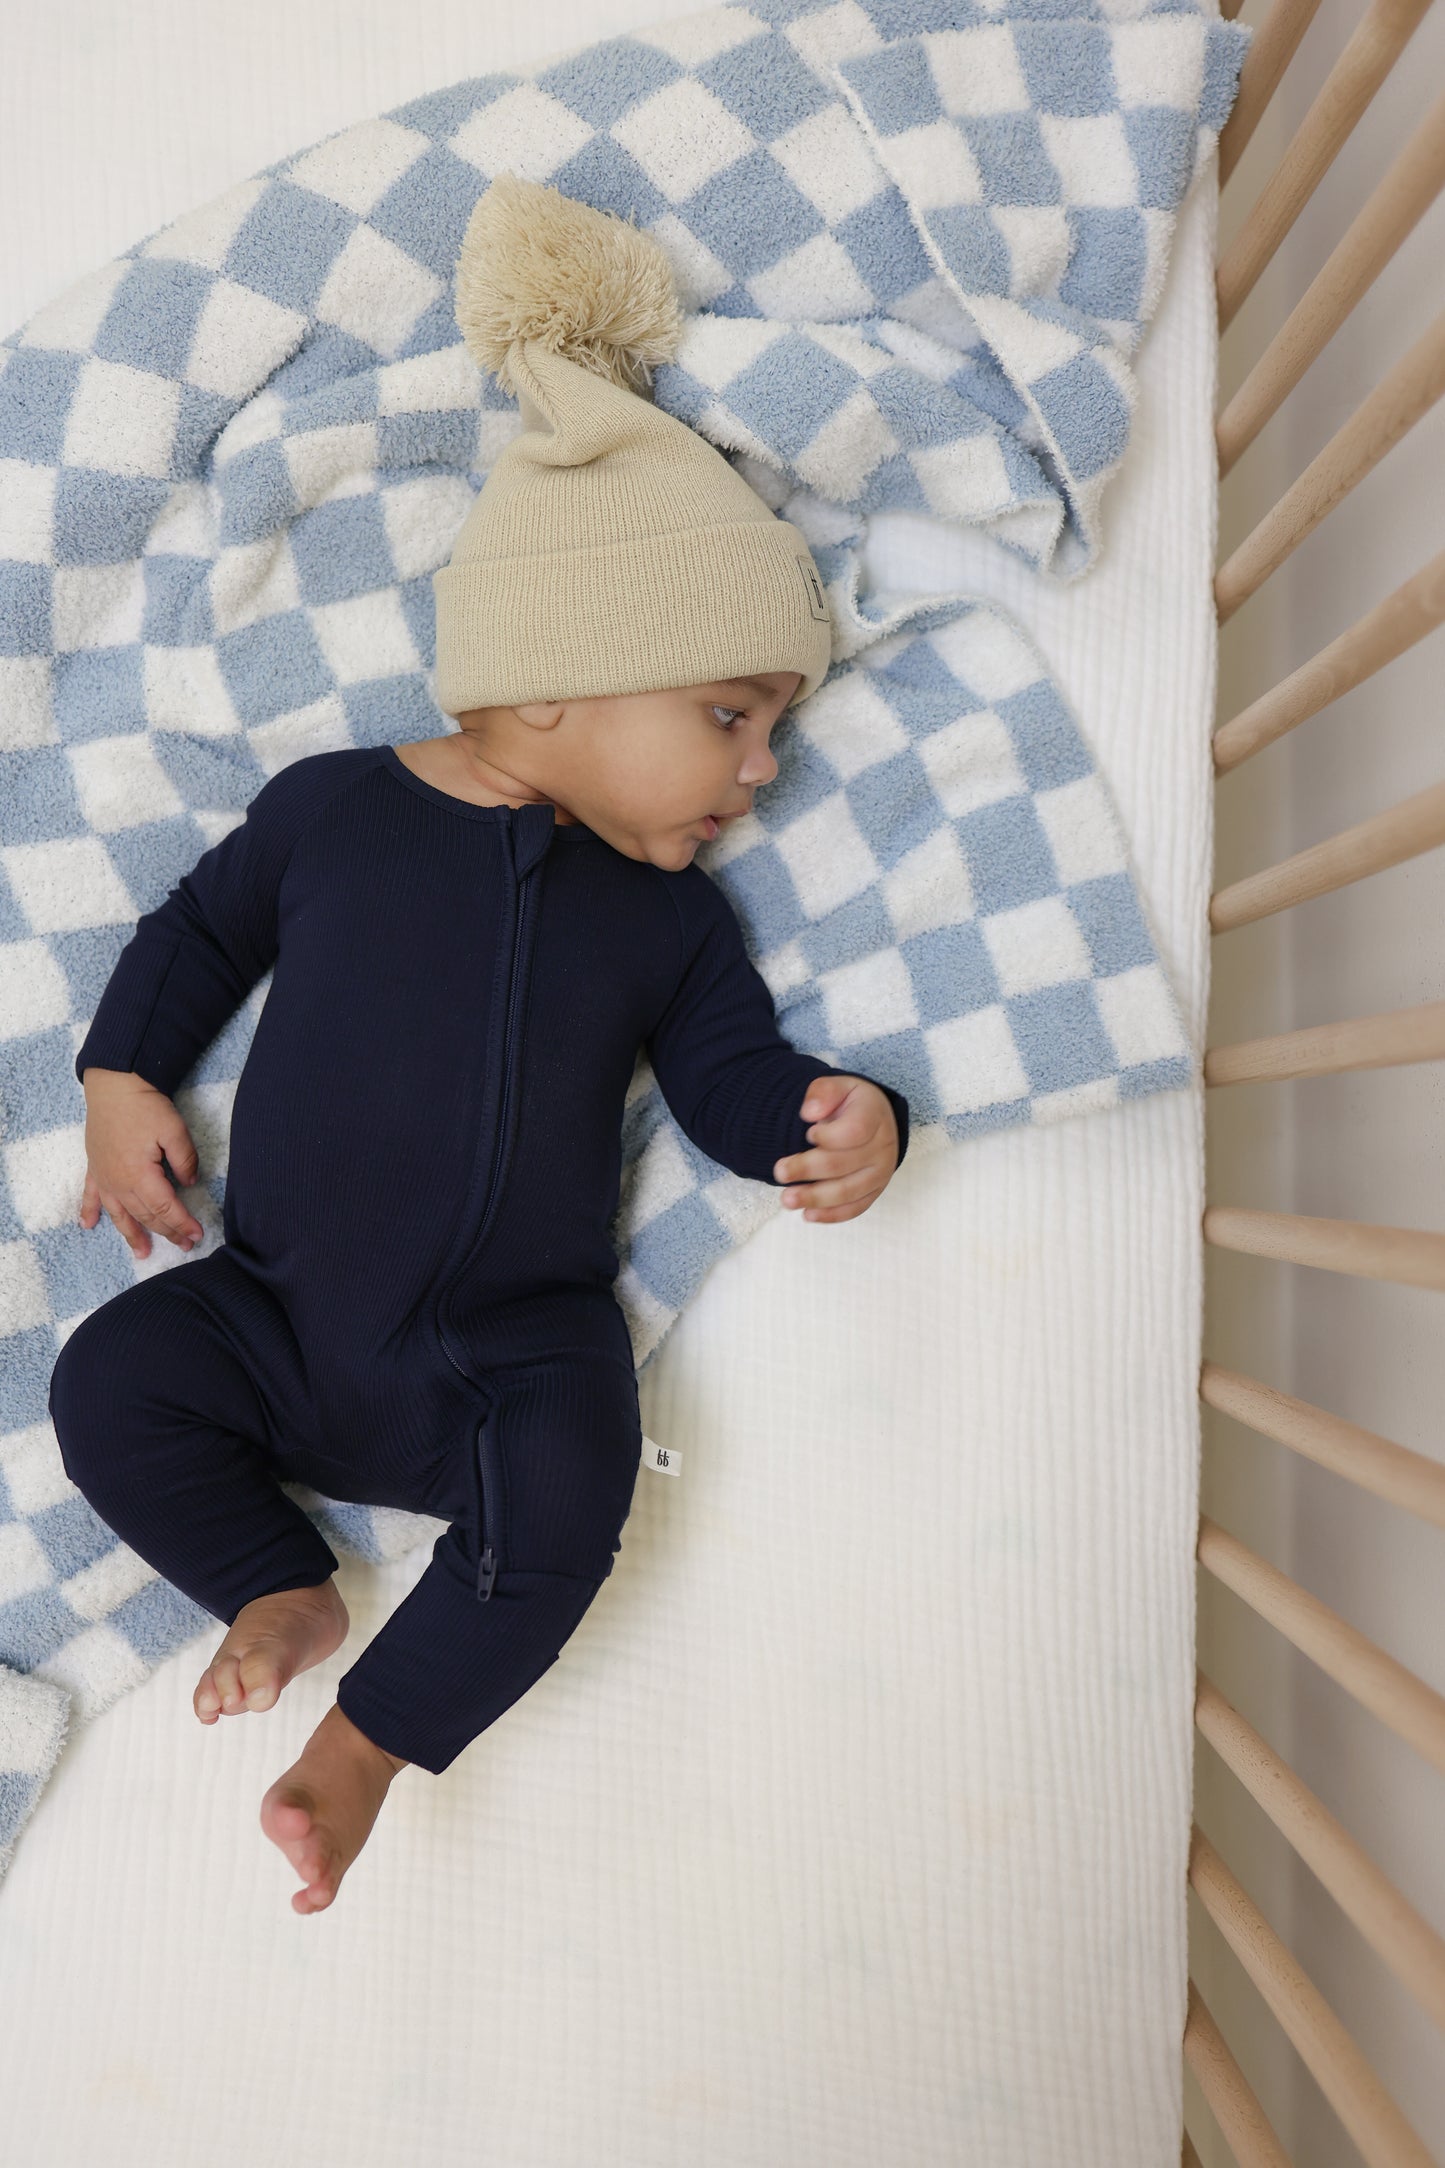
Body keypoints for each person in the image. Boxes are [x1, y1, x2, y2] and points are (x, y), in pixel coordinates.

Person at [48, 173, 910, 1918]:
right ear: (552, 691)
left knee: (571, 1497)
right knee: (109, 1385)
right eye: (729, 717)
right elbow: (200, 932)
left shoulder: (668, 918)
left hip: (509, 1358)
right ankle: (272, 1582)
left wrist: (842, 1117)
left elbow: (737, 1082)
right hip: (274, 1312)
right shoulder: (334, 815)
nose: (760, 772)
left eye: (774, 732)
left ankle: (366, 1742)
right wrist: (121, 1069)